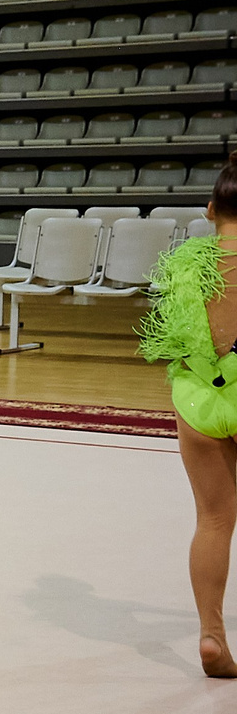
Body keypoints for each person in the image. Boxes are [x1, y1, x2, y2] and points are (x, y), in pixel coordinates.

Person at [138, 154, 237, 678]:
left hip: (199, 398)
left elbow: (173, 339)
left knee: (215, 520)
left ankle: (211, 635)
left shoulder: (183, 263)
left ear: (209, 209)